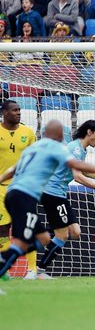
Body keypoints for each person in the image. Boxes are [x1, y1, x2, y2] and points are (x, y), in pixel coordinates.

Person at [0, 120, 95, 286]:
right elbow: (77, 173)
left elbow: (15, 169)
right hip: (49, 194)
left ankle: (31, 263)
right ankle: (36, 270)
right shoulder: (67, 148)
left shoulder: (38, 148)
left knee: (65, 234)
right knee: (56, 235)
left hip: (23, 193)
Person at [34, 120, 95, 279]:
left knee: (75, 232)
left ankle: (41, 238)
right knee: (63, 235)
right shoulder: (74, 149)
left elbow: (81, 170)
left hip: (59, 193)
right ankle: (39, 271)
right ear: (89, 132)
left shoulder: (80, 149)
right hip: (53, 193)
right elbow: (77, 176)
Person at [0, 100, 37, 280]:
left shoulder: (28, 132)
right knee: (2, 229)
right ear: (4, 112)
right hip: (1, 188)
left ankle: (32, 270)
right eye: (14, 110)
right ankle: (5, 270)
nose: (18, 113)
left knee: (26, 228)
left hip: (23, 187)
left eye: (19, 110)